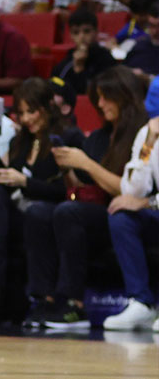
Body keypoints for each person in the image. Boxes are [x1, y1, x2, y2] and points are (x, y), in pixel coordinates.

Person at [34, 67, 143, 328]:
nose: (100, 104)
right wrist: (69, 168)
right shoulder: (98, 137)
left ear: (124, 95)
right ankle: (44, 298)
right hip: (95, 210)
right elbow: (82, 187)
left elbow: (130, 190)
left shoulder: (143, 135)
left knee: (69, 213)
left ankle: (74, 304)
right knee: (39, 212)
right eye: (97, 98)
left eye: (106, 97)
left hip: (128, 213)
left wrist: (86, 163)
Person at [0, 78, 78, 322]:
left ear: (47, 107)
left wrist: (25, 182)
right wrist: (2, 179)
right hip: (20, 211)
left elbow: (65, 190)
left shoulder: (67, 136)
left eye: (32, 111)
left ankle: (41, 299)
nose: (27, 119)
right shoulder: (19, 142)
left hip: (50, 211)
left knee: (36, 213)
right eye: (21, 113)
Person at [101, 108, 159, 331]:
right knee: (122, 217)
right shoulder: (147, 132)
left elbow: (140, 200)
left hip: (154, 204)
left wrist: (146, 203)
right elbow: (132, 191)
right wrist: (149, 143)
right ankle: (142, 302)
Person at [52, 7, 117, 96]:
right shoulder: (65, 64)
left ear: (96, 32)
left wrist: (79, 68)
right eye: (76, 32)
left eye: (86, 31)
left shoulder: (106, 60)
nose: (81, 37)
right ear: (71, 35)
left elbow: (99, 95)